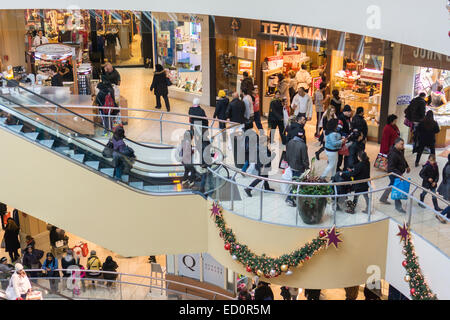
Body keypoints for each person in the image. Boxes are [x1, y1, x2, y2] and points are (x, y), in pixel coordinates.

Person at [379, 138, 410, 213]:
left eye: (403, 144)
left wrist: (407, 166)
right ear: (396, 144)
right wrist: (400, 175)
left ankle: (383, 198)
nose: (403, 145)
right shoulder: (393, 154)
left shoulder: (400, 151)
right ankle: (398, 206)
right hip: (394, 173)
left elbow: (403, 159)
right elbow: (391, 168)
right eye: (401, 144)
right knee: (397, 188)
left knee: (392, 185)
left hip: (398, 173)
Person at [285, 127, 309, 207]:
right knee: (297, 183)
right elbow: (305, 158)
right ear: (303, 136)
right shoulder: (303, 145)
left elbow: (287, 154)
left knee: (295, 181)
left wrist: (289, 163)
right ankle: (290, 198)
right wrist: (307, 167)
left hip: (291, 165)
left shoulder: (290, 142)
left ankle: (293, 197)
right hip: (299, 167)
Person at [337, 105, 353, 171]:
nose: (350, 113)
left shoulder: (347, 118)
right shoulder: (341, 118)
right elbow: (338, 130)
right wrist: (344, 136)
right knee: (340, 154)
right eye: (349, 112)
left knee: (346, 154)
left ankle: (345, 167)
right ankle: (337, 167)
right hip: (342, 140)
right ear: (345, 112)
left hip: (347, 139)